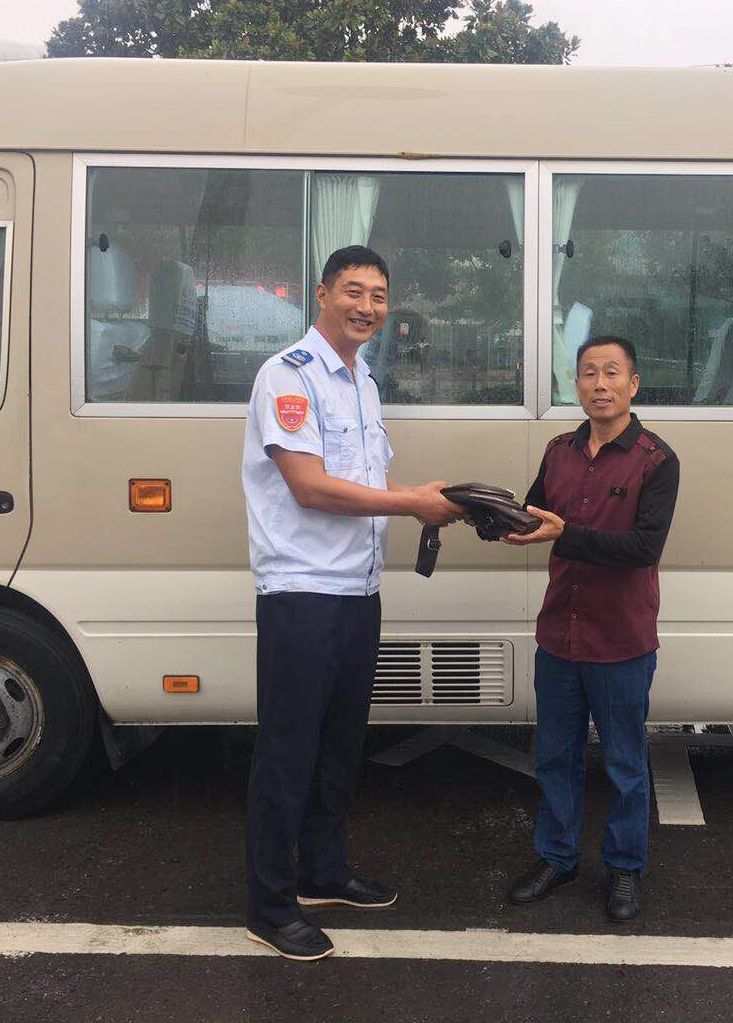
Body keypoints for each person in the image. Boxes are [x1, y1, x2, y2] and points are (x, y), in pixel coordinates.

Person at [240, 244, 462, 961]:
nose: (367, 307)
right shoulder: (289, 376)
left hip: (357, 591)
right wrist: (413, 504)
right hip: (302, 593)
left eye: (379, 296)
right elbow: (310, 487)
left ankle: (323, 874)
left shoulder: (362, 380)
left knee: (340, 746)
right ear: (323, 294)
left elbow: (364, 482)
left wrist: (421, 497)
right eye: (354, 291)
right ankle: (270, 906)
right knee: (288, 752)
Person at [503, 334, 681, 922]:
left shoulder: (657, 460)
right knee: (555, 757)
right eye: (587, 373)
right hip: (559, 634)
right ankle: (557, 858)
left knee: (625, 764)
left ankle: (625, 868)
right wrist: (487, 514)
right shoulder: (558, 451)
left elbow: (643, 548)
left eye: (611, 372)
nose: (599, 384)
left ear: (633, 384)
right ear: (575, 384)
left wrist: (565, 535)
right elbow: (533, 514)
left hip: (621, 640)